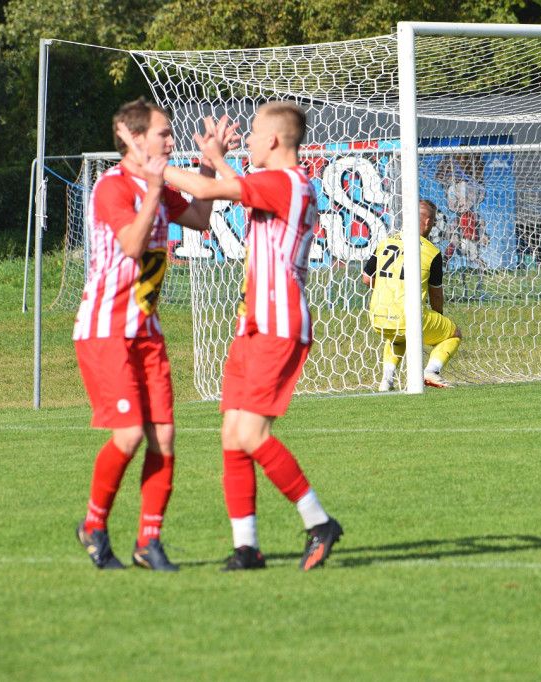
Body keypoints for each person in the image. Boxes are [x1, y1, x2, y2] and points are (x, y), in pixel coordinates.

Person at [153, 103, 343, 571]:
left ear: (274, 140)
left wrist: (149, 164)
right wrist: (217, 159)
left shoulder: (286, 182)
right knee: (232, 436)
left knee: (251, 434)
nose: (249, 139)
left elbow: (204, 190)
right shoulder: (280, 183)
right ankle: (247, 548)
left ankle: (319, 522)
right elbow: (228, 185)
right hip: (253, 325)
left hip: (278, 326)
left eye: (254, 132)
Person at [72, 97, 221, 571]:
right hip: (106, 331)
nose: (170, 141)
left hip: (147, 332)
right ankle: (93, 525)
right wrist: (155, 190)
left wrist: (207, 165)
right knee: (130, 434)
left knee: (164, 438)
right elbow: (133, 245)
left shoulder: (156, 184)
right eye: (163, 134)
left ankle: (147, 542)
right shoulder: (111, 187)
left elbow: (200, 219)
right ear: (133, 137)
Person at [362, 200, 462, 391]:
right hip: (408, 316)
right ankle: (431, 371)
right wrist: (438, 316)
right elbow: (436, 295)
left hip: (378, 316)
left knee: (398, 336)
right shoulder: (432, 252)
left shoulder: (385, 243)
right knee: (453, 333)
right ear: (428, 222)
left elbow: (367, 279)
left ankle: (387, 380)